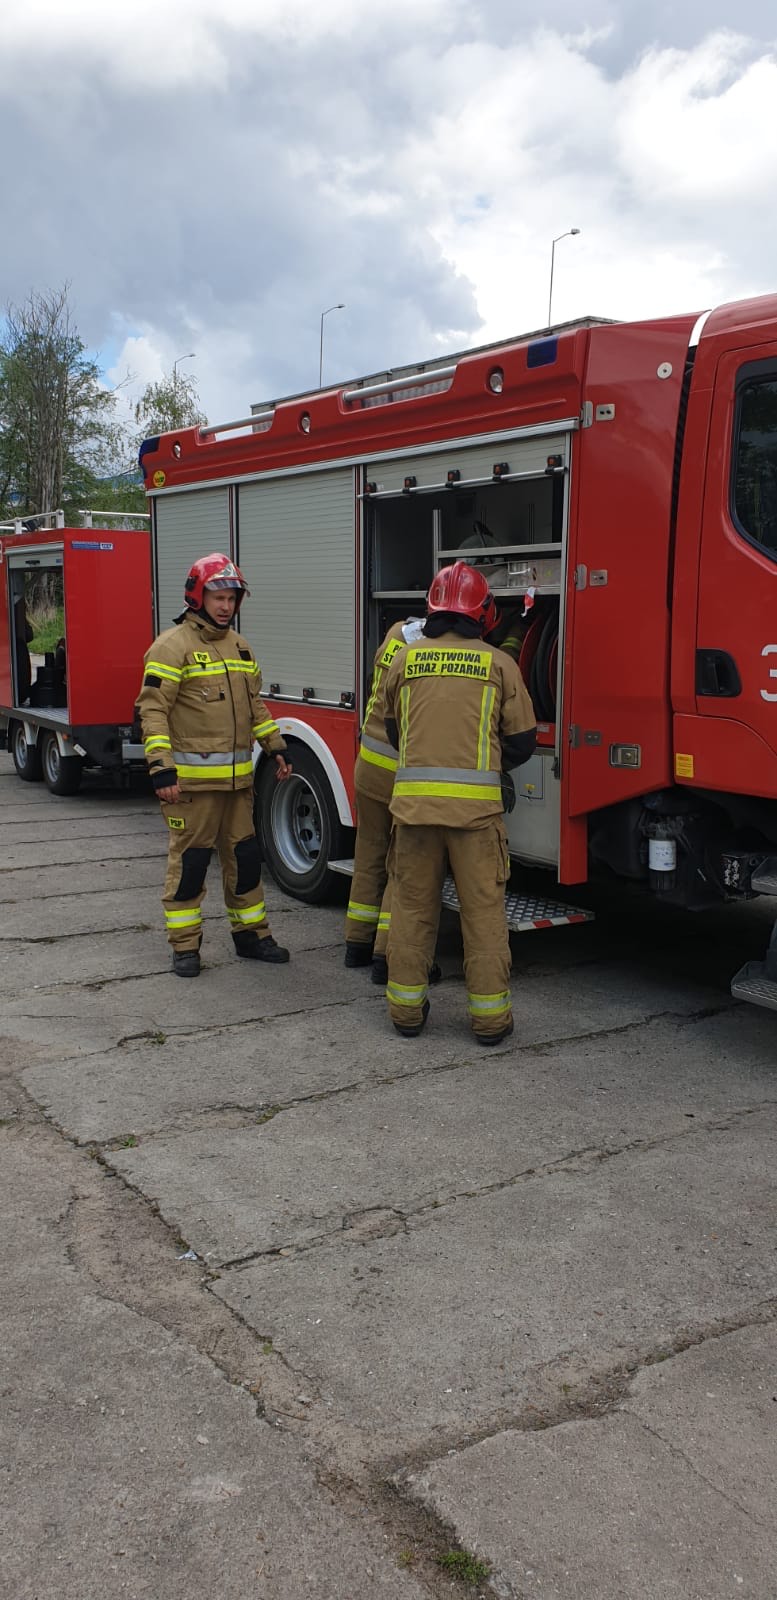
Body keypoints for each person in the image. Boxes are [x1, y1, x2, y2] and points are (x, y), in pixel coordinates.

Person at [382, 560, 537, 1043]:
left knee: (412, 910)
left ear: (431, 610)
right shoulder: (499, 664)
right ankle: (490, 1021)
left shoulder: (406, 660)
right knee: (483, 915)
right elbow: (522, 743)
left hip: (414, 814)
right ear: (484, 613)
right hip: (476, 819)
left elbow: (394, 731)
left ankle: (406, 1013)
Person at [138, 553, 293, 978]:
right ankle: (185, 946)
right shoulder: (171, 647)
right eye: (218, 597)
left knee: (245, 861)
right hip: (191, 789)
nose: (226, 606)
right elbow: (152, 710)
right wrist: (161, 768)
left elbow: (254, 705)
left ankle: (252, 935)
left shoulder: (240, 646)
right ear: (197, 596)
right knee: (190, 866)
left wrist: (276, 746)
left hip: (238, 786)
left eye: (232, 598)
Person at [344, 615, 425, 985]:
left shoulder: (395, 633)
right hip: (399, 774)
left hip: (369, 764)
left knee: (368, 856)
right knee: (401, 865)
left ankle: (356, 944)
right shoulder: (430, 655)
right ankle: (384, 956)